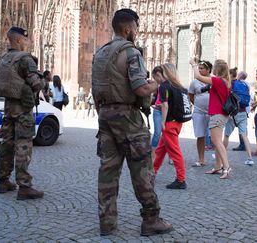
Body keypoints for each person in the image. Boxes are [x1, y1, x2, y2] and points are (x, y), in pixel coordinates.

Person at [91, 8, 173, 237]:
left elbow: (95, 90)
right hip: (128, 118)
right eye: (135, 28)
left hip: (105, 117)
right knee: (142, 169)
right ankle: (151, 220)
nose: (136, 32)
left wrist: (104, 112)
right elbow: (139, 88)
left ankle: (107, 223)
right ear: (128, 29)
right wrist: (156, 84)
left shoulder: (100, 53)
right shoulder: (130, 52)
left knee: (108, 170)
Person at [0, 26, 44, 200]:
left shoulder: (2, 59)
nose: (27, 42)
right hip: (23, 110)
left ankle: (3, 180)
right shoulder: (25, 59)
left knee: (6, 144)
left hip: (8, 108)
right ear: (19, 40)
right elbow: (37, 84)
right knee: (23, 146)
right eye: (26, 40)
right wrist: (41, 78)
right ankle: (24, 186)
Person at [191, 58, 232, 179]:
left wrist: (194, 64)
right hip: (222, 114)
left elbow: (198, 77)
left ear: (217, 69)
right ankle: (218, 167)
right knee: (217, 141)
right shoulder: (226, 81)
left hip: (217, 114)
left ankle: (226, 166)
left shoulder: (217, 81)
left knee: (217, 142)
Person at [153, 63, 188, 189]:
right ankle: (152, 172)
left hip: (169, 123)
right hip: (177, 122)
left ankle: (181, 179)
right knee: (161, 150)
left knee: (175, 152)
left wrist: (162, 122)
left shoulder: (164, 86)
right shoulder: (179, 86)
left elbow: (165, 105)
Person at [223, 71, 254, 165]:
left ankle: (220, 154)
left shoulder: (231, 84)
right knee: (244, 135)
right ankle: (250, 158)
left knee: (226, 135)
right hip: (243, 112)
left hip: (233, 113)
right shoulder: (244, 84)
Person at [188, 60, 212, 167]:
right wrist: (197, 104)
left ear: (208, 70)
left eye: (202, 68)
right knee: (200, 135)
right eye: (199, 68)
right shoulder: (194, 82)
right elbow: (191, 95)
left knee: (214, 137)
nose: (200, 70)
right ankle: (201, 159)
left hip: (212, 112)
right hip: (199, 112)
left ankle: (218, 161)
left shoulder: (213, 80)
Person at [151, 66, 166, 161]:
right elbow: (154, 98)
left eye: (155, 77)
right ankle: (153, 154)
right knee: (157, 132)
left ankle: (171, 155)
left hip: (166, 110)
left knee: (168, 135)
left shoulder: (168, 85)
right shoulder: (158, 85)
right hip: (158, 110)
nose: (155, 80)